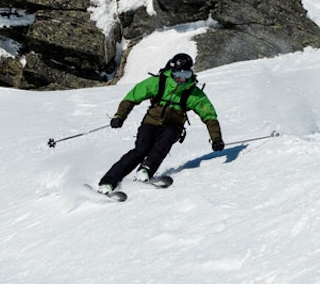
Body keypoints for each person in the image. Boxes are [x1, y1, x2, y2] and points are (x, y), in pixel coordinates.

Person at [95, 53, 224, 194]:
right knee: (140, 150)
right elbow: (132, 97)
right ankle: (107, 182)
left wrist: (216, 138)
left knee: (166, 139)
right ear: (172, 71)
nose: (181, 79)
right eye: (178, 74)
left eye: (186, 75)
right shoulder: (159, 82)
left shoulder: (193, 93)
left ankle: (146, 170)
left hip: (173, 126)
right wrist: (120, 116)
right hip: (151, 123)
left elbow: (209, 116)